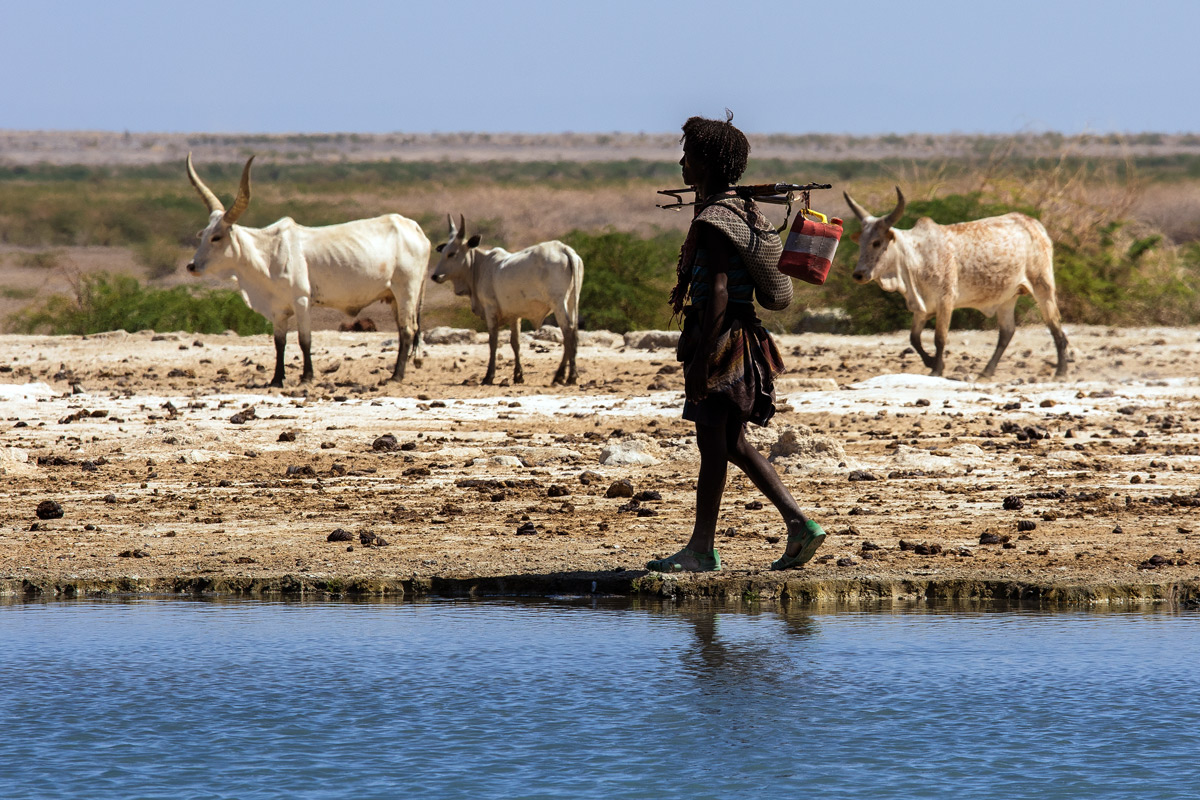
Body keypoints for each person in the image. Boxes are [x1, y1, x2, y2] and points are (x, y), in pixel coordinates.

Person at [646, 112, 825, 573]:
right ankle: (800, 525)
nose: (682, 164)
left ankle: (701, 550)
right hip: (744, 339)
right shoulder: (745, 212)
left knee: (714, 447)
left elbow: (719, 291)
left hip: (723, 343)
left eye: (688, 156)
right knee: (732, 443)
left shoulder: (714, 219)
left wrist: (702, 360)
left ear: (706, 163)